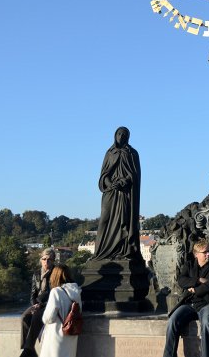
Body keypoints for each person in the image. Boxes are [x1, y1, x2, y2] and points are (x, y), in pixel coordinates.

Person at [163, 239, 209, 357]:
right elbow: (181, 281)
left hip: (205, 304)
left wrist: (194, 289)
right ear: (196, 254)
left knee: (206, 324)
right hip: (189, 304)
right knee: (172, 321)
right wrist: (199, 280)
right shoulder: (189, 265)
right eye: (205, 252)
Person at [92, 126, 142, 261]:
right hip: (110, 192)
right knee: (104, 220)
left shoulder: (132, 153)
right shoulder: (110, 153)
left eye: (124, 134)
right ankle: (100, 253)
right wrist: (109, 183)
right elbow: (103, 174)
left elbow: (135, 175)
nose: (121, 136)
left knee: (124, 220)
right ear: (115, 135)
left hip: (125, 194)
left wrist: (125, 181)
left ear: (128, 137)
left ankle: (124, 250)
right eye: (119, 134)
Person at [39, 264, 82, 357]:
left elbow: (48, 318)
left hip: (56, 336)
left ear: (55, 276)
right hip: (71, 334)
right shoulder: (77, 292)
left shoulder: (56, 291)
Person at [20, 248, 56, 357]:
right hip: (37, 304)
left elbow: (53, 294)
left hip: (49, 304)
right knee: (24, 317)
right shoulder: (36, 274)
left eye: (49, 259)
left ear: (53, 261)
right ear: (40, 260)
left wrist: (40, 304)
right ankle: (28, 349)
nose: (46, 261)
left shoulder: (56, 273)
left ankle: (27, 351)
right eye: (44, 259)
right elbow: (33, 293)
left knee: (36, 317)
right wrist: (34, 304)